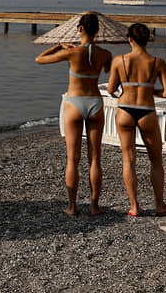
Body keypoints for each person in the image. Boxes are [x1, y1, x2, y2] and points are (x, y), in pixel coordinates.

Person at [35, 12, 112, 215]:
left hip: (74, 103)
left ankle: (72, 206)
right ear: (97, 31)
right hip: (95, 102)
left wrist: (60, 47)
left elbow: (39, 59)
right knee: (95, 159)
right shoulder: (105, 53)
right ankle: (95, 207)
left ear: (80, 29)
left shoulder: (71, 53)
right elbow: (106, 70)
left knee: (73, 159)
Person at [106, 23, 166, 217]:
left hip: (124, 110)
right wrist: (150, 90)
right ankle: (159, 205)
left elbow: (111, 90)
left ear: (129, 39)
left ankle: (134, 207)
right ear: (148, 39)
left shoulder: (119, 60)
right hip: (146, 110)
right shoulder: (158, 62)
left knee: (128, 161)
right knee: (156, 161)